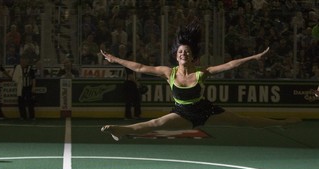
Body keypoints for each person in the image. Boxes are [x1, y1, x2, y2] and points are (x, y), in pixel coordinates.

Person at [100, 19, 298, 141]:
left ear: (192, 56)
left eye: (187, 52)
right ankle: (121, 130)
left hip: (205, 110)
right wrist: (114, 59)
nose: (183, 53)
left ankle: (277, 123)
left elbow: (229, 65)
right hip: (182, 113)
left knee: (242, 121)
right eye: (180, 52)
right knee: (157, 123)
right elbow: (139, 67)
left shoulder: (202, 72)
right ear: (176, 56)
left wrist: (253, 58)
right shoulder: (168, 72)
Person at [12, 55, 36, 120]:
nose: (23, 62)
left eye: (25, 60)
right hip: (21, 87)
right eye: (22, 60)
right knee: (21, 102)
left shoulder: (30, 69)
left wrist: (33, 87)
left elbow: (33, 78)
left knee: (30, 102)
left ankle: (32, 116)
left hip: (28, 87)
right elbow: (14, 77)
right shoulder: (18, 68)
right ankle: (23, 116)